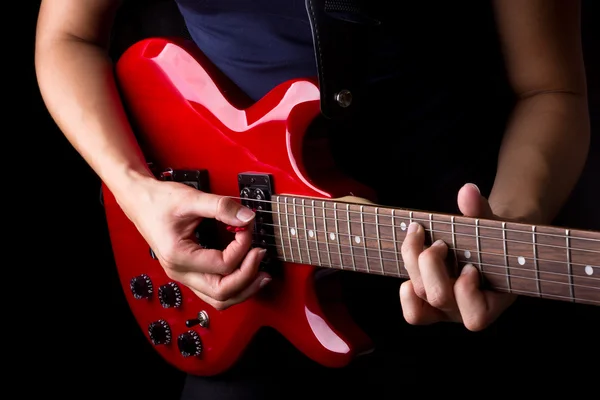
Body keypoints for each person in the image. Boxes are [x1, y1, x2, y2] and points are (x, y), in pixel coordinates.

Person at [35, 0, 590, 398]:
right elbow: (65, 38)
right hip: (254, 303)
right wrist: (137, 192)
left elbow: (551, 89)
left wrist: (514, 223)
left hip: (457, 278)